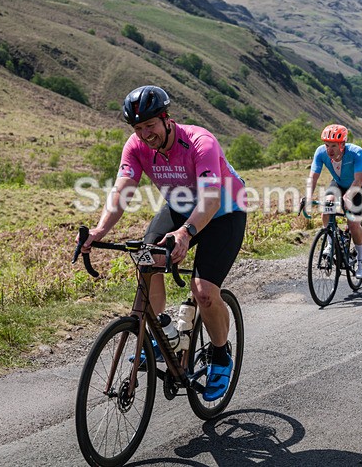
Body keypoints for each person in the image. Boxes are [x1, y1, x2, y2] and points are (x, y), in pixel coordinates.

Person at [79, 85, 246, 402]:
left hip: (224, 211)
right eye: (138, 128)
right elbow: (122, 191)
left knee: (204, 292)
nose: (145, 134)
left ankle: (221, 355)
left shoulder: (200, 142)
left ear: (166, 119)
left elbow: (210, 200)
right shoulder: (136, 146)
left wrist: (185, 233)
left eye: (150, 125)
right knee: (146, 259)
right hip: (181, 206)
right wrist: (99, 231)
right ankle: (163, 333)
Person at [305, 124, 362, 278]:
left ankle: (361, 259)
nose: (329, 149)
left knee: (353, 223)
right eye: (327, 145)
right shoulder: (320, 152)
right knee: (327, 205)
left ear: (342, 144)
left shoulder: (356, 152)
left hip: (359, 185)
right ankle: (330, 244)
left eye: (333, 146)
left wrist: (348, 196)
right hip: (339, 182)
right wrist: (308, 196)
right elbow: (313, 176)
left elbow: (359, 179)